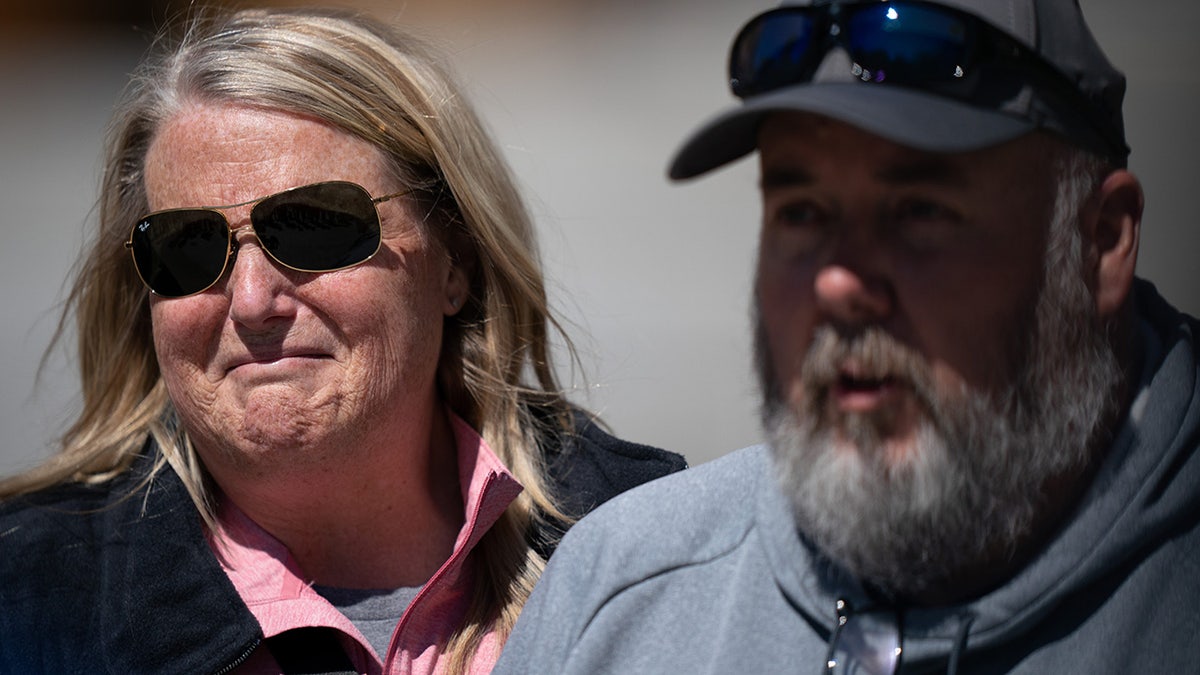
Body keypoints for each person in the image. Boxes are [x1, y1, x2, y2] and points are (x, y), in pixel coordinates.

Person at [494, 0, 1200, 672]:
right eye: (802, 212)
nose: (838, 282)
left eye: (920, 211)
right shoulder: (618, 598)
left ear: (1098, 243)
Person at [0, 7, 685, 674]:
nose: (251, 302)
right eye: (188, 246)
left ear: (456, 260)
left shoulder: (665, 557)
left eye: (312, 226)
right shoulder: (25, 600)